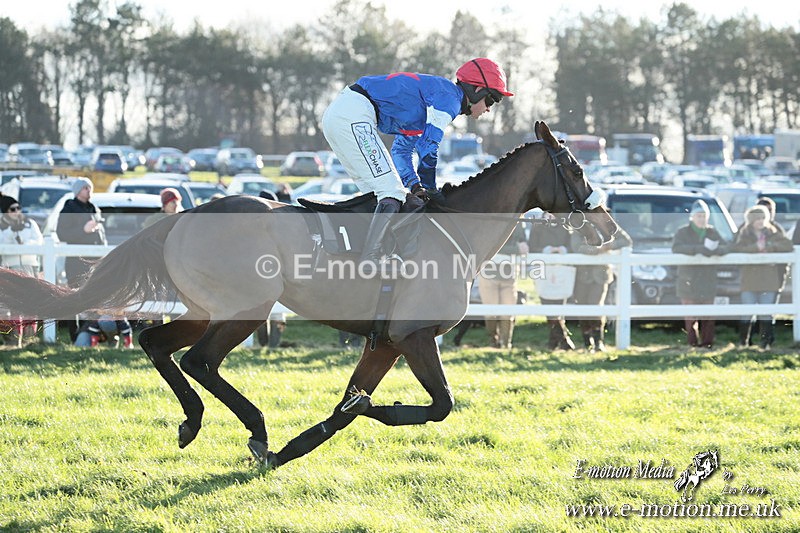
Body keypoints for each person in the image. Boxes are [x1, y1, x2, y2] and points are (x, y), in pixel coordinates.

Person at [321, 58, 513, 264]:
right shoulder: (449, 99)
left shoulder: (434, 102)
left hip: (343, 114)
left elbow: (401, 151)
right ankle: (370, 259)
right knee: (391, 192)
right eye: (491, 100)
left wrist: (415, 186)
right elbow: (427, 148)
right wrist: (432, 190)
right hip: (353, 114)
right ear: (477, 90)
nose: (488, 109)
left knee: (377, 195)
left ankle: (358, 254)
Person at [57, 177, 133, 347]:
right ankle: (75, 335)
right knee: (75, 299)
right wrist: (82, 230)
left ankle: (97, 334)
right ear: (77, 191)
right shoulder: (69, 207)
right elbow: (61, 233)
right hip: (76, 262)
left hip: (95, 262)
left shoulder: (93, 208)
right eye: (85, 188)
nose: (88, 190)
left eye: (90, 187)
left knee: (96, 298)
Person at [733, 205, 792, 349]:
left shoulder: (774, 232)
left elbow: (787, 245)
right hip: (749, 279)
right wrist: (756, 248)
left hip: (769, 280)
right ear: (751, 220)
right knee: (747, 313)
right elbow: (737, 248)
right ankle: (743, 343)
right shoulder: (744, 234)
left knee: (766, 314)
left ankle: (765, 344)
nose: (760, 221)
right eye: (757, 218)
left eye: (762, 218)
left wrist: (769, 246)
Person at [671, 200, 728, 348]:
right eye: (699, 216)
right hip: (688, 280)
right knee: (690, 316)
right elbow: (677, 247)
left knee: (708, 315)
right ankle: (692, 343)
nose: (702, 219)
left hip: (708, 280)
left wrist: (715, 251)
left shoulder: (712, 232)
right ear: (692, 217)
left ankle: (707, 343)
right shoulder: (682, 232)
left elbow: (726, 247)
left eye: (704, 216)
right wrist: (698, 249)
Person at [570, 225, 632, 352]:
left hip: (601, 274)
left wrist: (609, 246)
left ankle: (598, 341)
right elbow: (577, 247)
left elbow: (626, 241)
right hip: (582, 275)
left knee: (596, 306)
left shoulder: (607, 225)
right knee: (582, 307)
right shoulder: (579, 226)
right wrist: (598, 250)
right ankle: (587, 342)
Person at [528, 213, 576, 350]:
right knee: (547, 304)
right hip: (543, 270)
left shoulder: (565, 225)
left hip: (562, 271)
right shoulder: (537, 226)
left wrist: (563, 249)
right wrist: (546, 250)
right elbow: (532, 247)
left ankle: (554, 342)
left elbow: (571, 246)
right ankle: (563, 339)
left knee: (560, 306)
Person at [1, 194, 44, 345]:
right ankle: (13, 340)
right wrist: (11, 234)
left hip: (29, 267)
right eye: (13, 209)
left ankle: (30, 338)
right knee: (14, 306)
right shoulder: (2, 227)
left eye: (19, 208)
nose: (17, 211)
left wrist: (24, 242)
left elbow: (39, 241)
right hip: (10, 268)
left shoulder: (30, 223)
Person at [478, 224, 528, 349]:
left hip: (509, 274)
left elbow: (524, 246)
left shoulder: (518, 223)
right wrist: (515, 249)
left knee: (508, 311)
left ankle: (506, 344)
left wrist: (519, 248)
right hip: (488, 274)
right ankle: (493, 341)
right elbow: (492, 248)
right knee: (491, 311)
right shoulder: (490, 222)